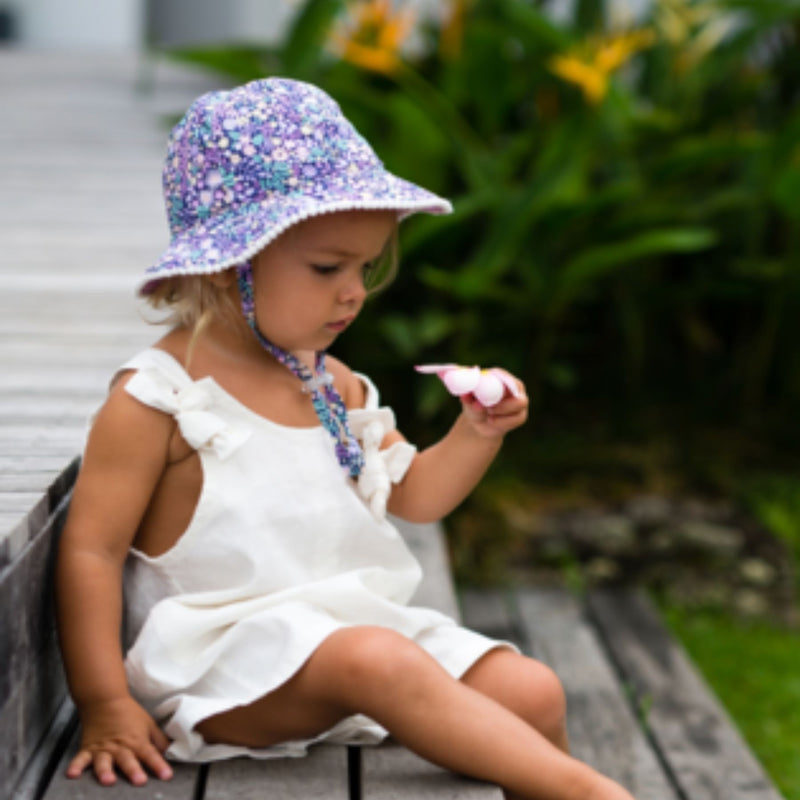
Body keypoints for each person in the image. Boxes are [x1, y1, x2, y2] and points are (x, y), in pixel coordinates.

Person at [56, 77, 635, 800]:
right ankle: (593, 792)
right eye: (328, 268)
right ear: (231, 262)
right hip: (229, 667)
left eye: (364, 268)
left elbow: (416, 496)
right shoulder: (160, 399)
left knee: (534, 689)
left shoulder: (335, 386)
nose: (354, 291)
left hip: (357, 638)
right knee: (375, 661)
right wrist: (104, 701)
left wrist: (476, 432)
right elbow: (92, 550)